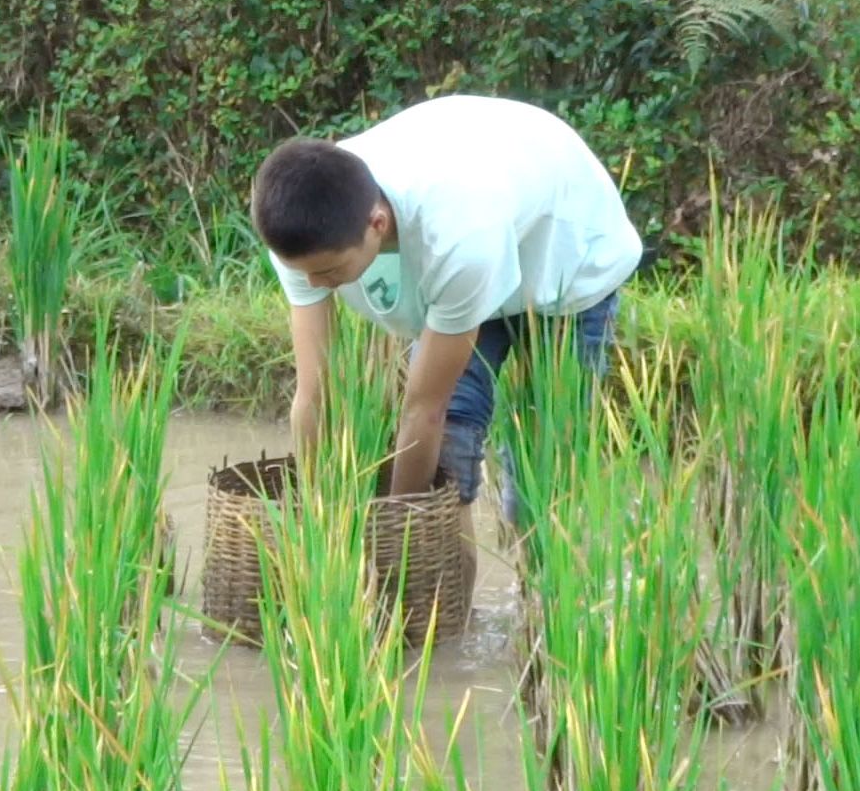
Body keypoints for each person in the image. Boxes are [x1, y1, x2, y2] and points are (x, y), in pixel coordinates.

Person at [248, 94, 642, 604]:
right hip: (481, 214)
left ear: (377, 225)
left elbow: (422, 410)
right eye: (308, 275)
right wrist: (322, 516)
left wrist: (390, 546)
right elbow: (313, 393)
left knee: (544, 469)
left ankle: (547, 612)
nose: (317, 285)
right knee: (452, 456)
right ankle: (453, 621)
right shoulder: (301, 231)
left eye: (329, 274)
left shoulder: (458, 238)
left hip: (565, 258)